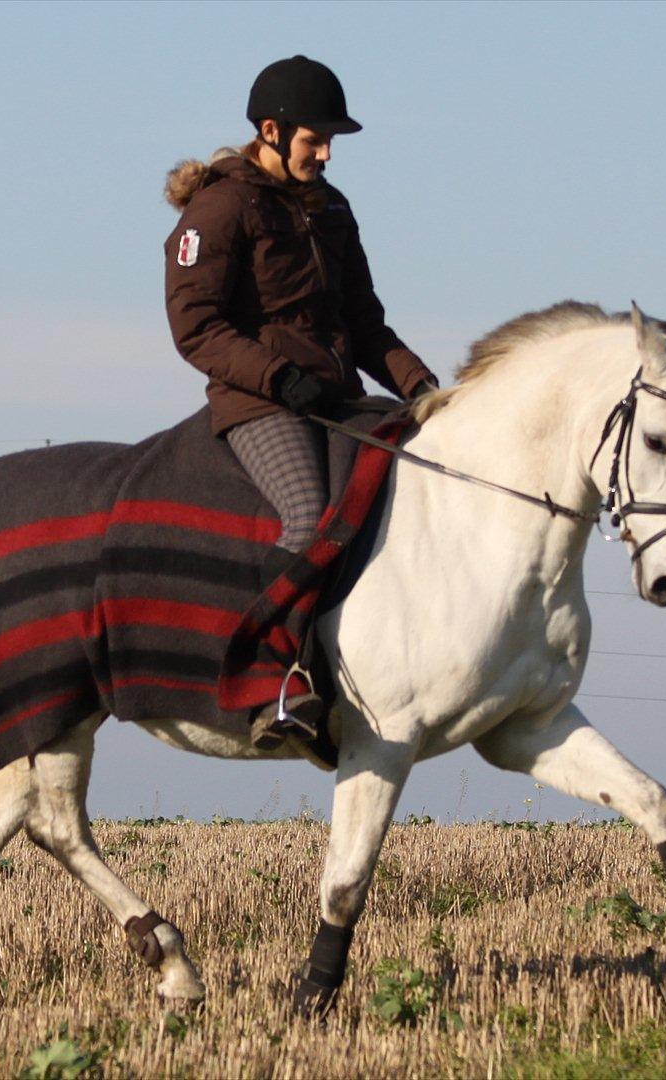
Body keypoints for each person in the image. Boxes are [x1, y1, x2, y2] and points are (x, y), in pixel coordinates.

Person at [164, 55, 438, 749]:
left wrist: (421, 388)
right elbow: (195, 329)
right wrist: (280, 378)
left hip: (334, 398)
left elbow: (366, 322)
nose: (324, 152)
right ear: (270, 130)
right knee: (306, 515)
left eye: (329, 141)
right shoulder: (218, 208)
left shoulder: (330, 207)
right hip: (258, 403)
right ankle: (269, 683)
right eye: (314, 139)